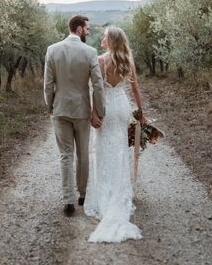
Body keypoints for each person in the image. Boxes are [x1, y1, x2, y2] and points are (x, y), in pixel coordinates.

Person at [84, 25, 145, 243]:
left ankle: (104, 195)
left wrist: (94, 113)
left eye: (105, 36)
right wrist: (140, 113)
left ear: (111, 40)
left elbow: (97, 90)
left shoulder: (100, 61)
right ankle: (119, 192)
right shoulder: (127, 60)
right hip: (121, 106)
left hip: (106, 108)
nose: (101, 38)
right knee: (119, 149)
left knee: (101, 148)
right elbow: (136, 89)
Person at [44, 15, 105, 217]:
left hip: (60, 109)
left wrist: (50, 106)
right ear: (79, 29)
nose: (88, 31)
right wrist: (99, 111)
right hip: (81, 109)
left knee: (65, 155)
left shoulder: (52, 50)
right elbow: (98, 84)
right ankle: (83, 194)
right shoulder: (90, 52)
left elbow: (48, 84)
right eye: (87, 28)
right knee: (83, 153)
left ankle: (68, 200)